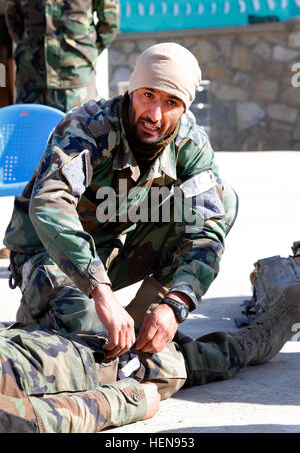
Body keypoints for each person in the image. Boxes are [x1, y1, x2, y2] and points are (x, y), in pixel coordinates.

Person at [4, 42, 239, 358]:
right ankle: (47, 307)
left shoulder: (190, 143)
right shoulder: (89, 127)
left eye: (171, 102)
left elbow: (208, 228)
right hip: (52, 255)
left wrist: (176, 304)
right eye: (148, 95)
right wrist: (101, 293)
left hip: (113, 247)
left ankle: (144, 319)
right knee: (94, 345)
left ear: (185, 108)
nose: (154, 114)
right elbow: (50, 204)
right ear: (132, 91)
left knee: (223, 203)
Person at [1, 279, 300, 433]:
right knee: (176, 361)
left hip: (34, 336)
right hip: (88, 365)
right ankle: (263, 333)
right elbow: (37, 422)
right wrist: (130, 400)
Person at [4, 0, 120, 112]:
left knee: (79, 130)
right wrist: (31, 50)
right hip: (31, 79)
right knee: (30, 129)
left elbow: (110, 20)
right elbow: (13, 18)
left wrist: (85, 52)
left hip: (75, 80)